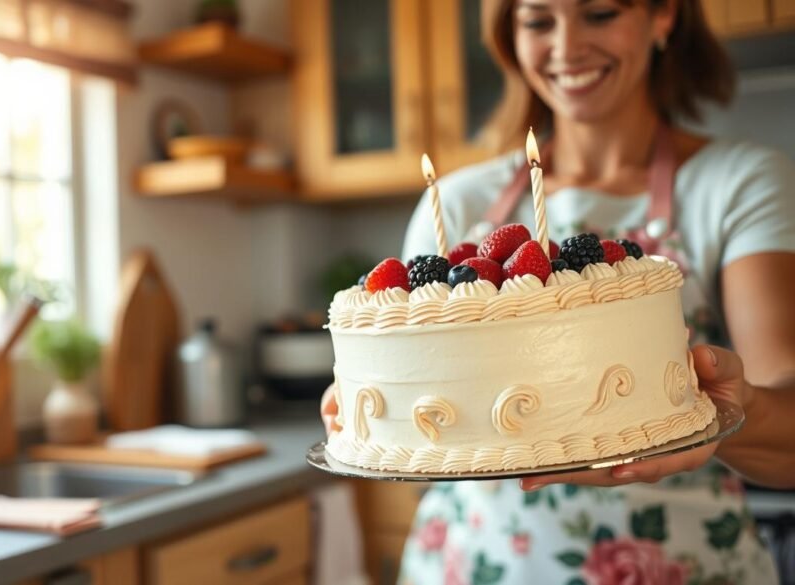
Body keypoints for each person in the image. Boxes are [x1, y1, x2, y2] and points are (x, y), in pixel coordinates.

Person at [320, 0, 795, 582]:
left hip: (682, 558)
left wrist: (735, 405)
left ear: (663, 14)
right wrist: (367, 417)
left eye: (598, 13)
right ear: (511, 37)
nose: (567, 47)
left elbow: (785, 400)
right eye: (539, 20)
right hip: (474, 561)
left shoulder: (738, 182)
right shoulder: (458, 201)